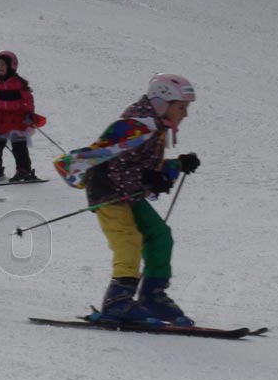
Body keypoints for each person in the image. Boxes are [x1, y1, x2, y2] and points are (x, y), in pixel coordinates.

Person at [53, 73, 201, 325]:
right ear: (163, 103)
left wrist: (175, 166)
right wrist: (151, 177)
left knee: (160, 234)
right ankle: (117, 301)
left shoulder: (155, 127)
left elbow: (141, 168)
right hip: (108, 192)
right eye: (181, 107)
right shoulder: (136, 126)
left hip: (128, 193)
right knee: (129, 241)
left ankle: (152, 296)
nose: (185, 114)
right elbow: (114, 165)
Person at [0, 51, 39, 183]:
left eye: (3, 64)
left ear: (12, 65)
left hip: (18, 119)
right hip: (2, 120)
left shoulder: (19, 84)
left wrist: (29, 114)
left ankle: (24, 170)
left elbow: (29, 100)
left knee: (18, 146)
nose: (0, 67)